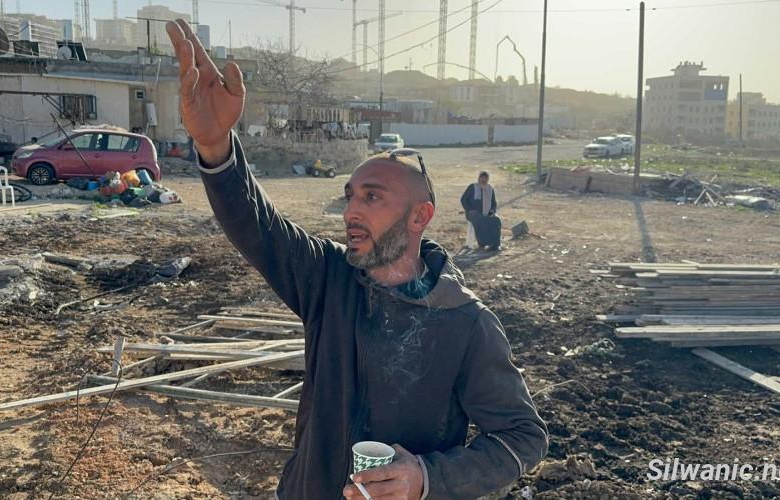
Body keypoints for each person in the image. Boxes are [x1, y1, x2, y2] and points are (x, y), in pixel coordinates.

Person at [166, 20, 547, 500]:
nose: (350, 212)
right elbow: (257, 226)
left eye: (372, 197)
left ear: (419, 216)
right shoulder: (329, 280)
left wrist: (427, 477)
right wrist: (215, 146)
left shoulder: (466, 323)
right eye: (350, 196)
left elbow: (523, 438)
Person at [460, 171, 502, 251]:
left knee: (496, 220)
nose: (483, 180)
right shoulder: (472, 187)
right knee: (481, 220)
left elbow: (494, 203)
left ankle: (494, 244)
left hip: (487, 213)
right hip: (473, 213)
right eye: (482, 178)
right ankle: (482, 244)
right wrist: (469, 209)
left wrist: (492, 212)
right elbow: (463, 199)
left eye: (485, 178)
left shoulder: (490, 189)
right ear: (479, 178)